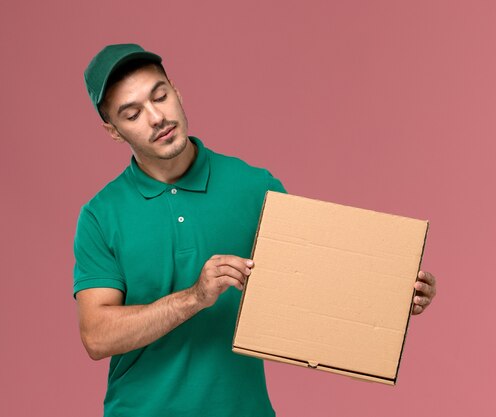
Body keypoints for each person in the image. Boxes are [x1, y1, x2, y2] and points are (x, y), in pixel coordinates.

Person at [72, 43, 437, 417]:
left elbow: (313, 287)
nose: (156, 117)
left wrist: (393, 295)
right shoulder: (101, 216)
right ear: (114, 132)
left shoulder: (254, 187)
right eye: (132, 114)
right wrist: (195, 297)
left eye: (160, 96)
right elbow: (97, 336)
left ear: (177, 94)